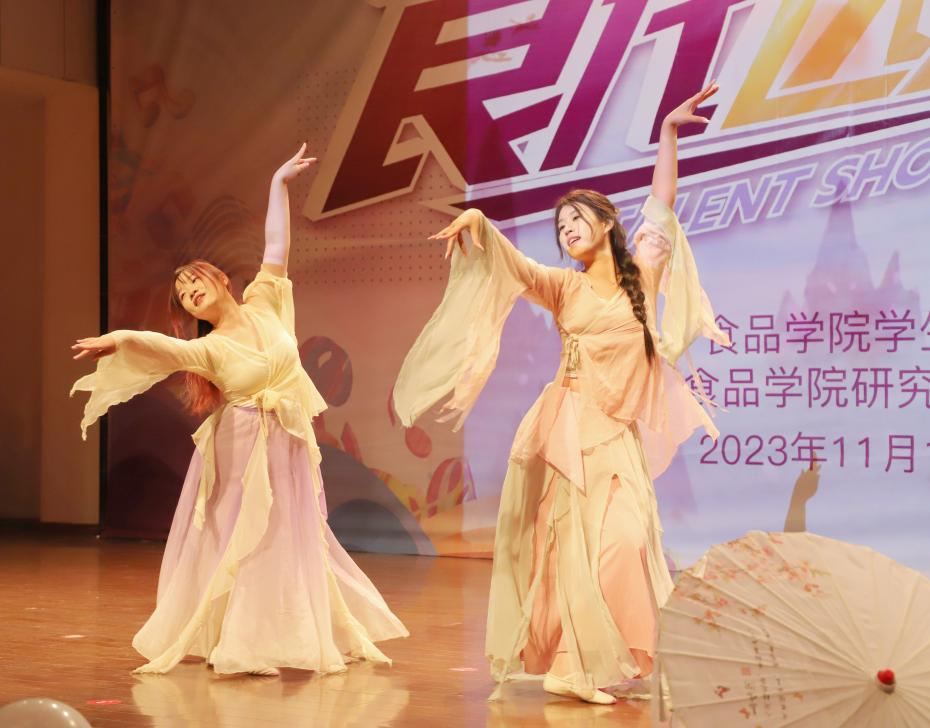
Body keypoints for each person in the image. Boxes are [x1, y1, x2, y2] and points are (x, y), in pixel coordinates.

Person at [394, 84, 729, 703]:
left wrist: (667, 133)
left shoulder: (641, 276)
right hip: (569, 429)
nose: (567, 231)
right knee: (571, 548)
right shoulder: (563, 288)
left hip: (617, 435)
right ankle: (572, 666)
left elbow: (661, 205)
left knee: (626, 543)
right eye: (560, 227)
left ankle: (590, 659)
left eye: (577, 220)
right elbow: (514, 266)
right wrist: (479, 221)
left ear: (606, 223)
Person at [71, 145, 408, 676]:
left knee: (286, 535)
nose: (189, 293)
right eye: (182, 294)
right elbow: (163, 347)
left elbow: (277, 243)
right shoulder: (208, 348)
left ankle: (274, 635)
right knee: (241, 537)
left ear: (220, 279)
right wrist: (121, 338)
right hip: (240, 446)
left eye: (194, 282)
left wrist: (278, 183)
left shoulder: (266, 301)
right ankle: (239, 641)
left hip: (287, 441)